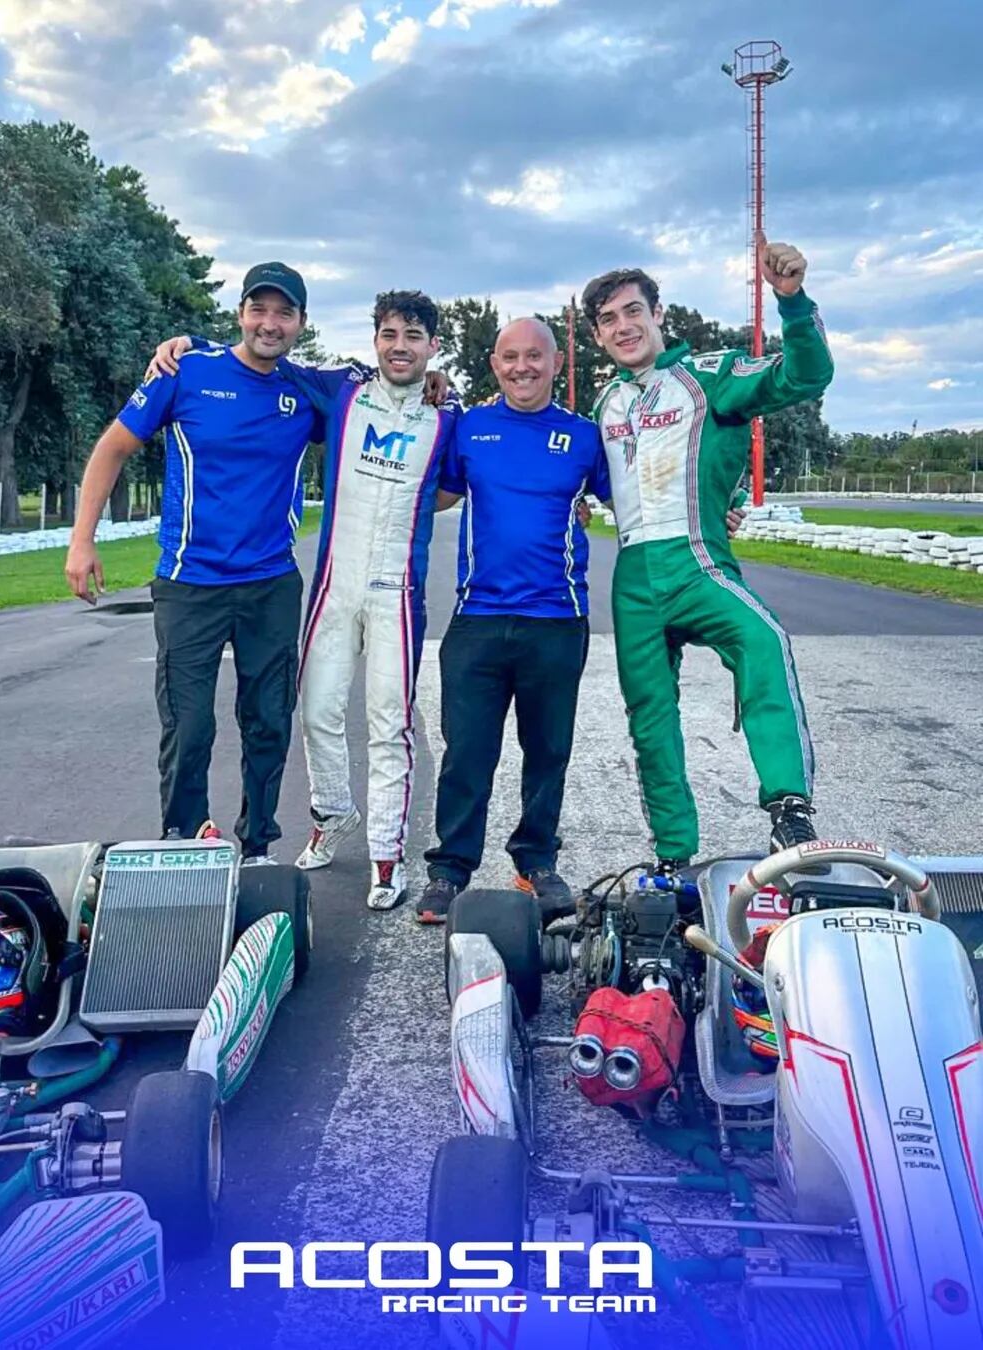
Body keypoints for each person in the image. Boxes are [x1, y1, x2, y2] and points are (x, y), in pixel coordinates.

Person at [149, 292, 456, 910]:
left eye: (414, 336)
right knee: (315, 712)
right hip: (333, 586)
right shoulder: (342, 390)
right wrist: (191, 344)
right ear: (375, 339)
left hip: (397, 593)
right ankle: (332, 814)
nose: (400, 346)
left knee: (388, 722)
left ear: (433, 346)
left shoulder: (449, 415)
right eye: (389, 334)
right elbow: (263, 355)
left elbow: (452, 488)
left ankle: (386, 856)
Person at [582, 234, 834, 876]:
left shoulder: (709, 374)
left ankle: (790, 808)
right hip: (633, 576)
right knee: (649, 715)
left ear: (658, 314)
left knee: (763, 640)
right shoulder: (605, 404)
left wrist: (792, 302)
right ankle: (672, 854)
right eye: (608, 319)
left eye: (633, 311)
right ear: (598, 336)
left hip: (698, 561)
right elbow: (589, 478)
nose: (623, 326)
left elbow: (805, 375)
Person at [65, 262, 323, 863]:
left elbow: (381, 387)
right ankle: (185, 839)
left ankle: (257, 846)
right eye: (259, 309)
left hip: (270, 584)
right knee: (189, 726)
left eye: (284, 313)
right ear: (241, 313)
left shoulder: (307, 390)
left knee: (268, 721)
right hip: (189, 583)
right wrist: (82, 540)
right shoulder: (185, 371)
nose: (270, 323)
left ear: (301, 323)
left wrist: (438, 385)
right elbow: (112, 447)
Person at [416, 318, 613, 925]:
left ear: (556, 364)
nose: (522, 367)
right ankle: (450, 869)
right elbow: (436, 494)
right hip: (477, 618)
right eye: (510, 357)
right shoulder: (469, 428)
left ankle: (536, 861)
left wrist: (716, 509)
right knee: (467, 752)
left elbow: (636, 496)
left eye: (534, 356)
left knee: (548, 750)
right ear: (494, 364)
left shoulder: (584, 437)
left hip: (557, 619)